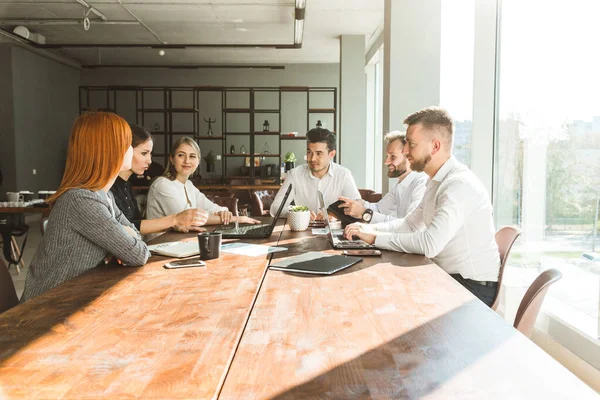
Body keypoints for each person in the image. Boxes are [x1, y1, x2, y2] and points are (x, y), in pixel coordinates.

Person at [344, 107, 501, 307]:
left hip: (472, 288)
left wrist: (375, 238)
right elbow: (409, 225)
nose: (406, 151)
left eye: (411, 144)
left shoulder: (458, 184)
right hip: (448, 277)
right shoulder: (434, 181)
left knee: (385, 299)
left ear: (435, 146)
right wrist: (368, 228)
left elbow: (429, 244)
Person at [21, 112, 150, 302]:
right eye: (128, 144)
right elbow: (138, 254)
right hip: (43, 311)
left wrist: (125, 236)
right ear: (110, 149)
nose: (132, 149)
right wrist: (123, 238)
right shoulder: (81, 200)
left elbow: (135, 238)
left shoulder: (105, 195)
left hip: (73, 299)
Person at [110, 125, 209, 235]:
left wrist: (174, 225)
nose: (149, 161)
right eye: (144, 153)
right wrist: (174, 220)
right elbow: (120, 230)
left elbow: (133, 225)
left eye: (150, 154)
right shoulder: (108, 188)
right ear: (125, 150)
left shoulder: (126, 185)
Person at [146, 137, 260, 227]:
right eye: (181, 155)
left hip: (179, 243)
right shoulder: (162, 184)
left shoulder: (188, 185)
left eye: (192, 156)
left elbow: (210, 207)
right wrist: (237, 219)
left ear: (198, 161)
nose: (187, 161)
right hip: (158, 246)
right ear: (172, 159)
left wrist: (223, 211)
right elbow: (189, 219)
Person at [337, 132, 427, 223]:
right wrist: (361, 203)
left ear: (408, 157)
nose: (386, 162)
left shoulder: (422, 184)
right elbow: (379, 209)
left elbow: (409, 224)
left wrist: (364, 213)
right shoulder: (399, 185)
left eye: (393, 157)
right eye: (387, 156)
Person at [270, 127, 360, 218]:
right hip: (303, 230)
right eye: (309, 152)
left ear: (331, 154)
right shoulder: (294, 174)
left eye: (319, 153)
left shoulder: (343, 174)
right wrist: (301, 213)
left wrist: (335, 215)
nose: (312, 158)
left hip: (334, 230)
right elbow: (275, 208)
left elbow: (356, 207)